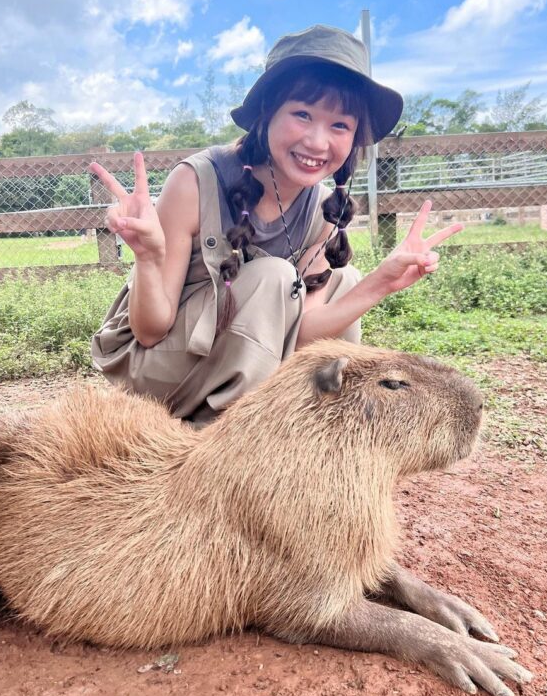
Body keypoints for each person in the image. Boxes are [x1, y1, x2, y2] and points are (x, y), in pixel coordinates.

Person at [90, 24, 462, 426]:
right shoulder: (197, 181)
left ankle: (309, 428)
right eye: (303, 114)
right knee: (273, 276)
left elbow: (302, 338)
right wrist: (148, 256)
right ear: (267, 113)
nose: (319, 142)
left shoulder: (321, 208)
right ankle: (227, 441)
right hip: (159, 367)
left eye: (340, 125)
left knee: (345, 280)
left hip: (233, 361)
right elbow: (149, 331)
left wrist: (383, 282)